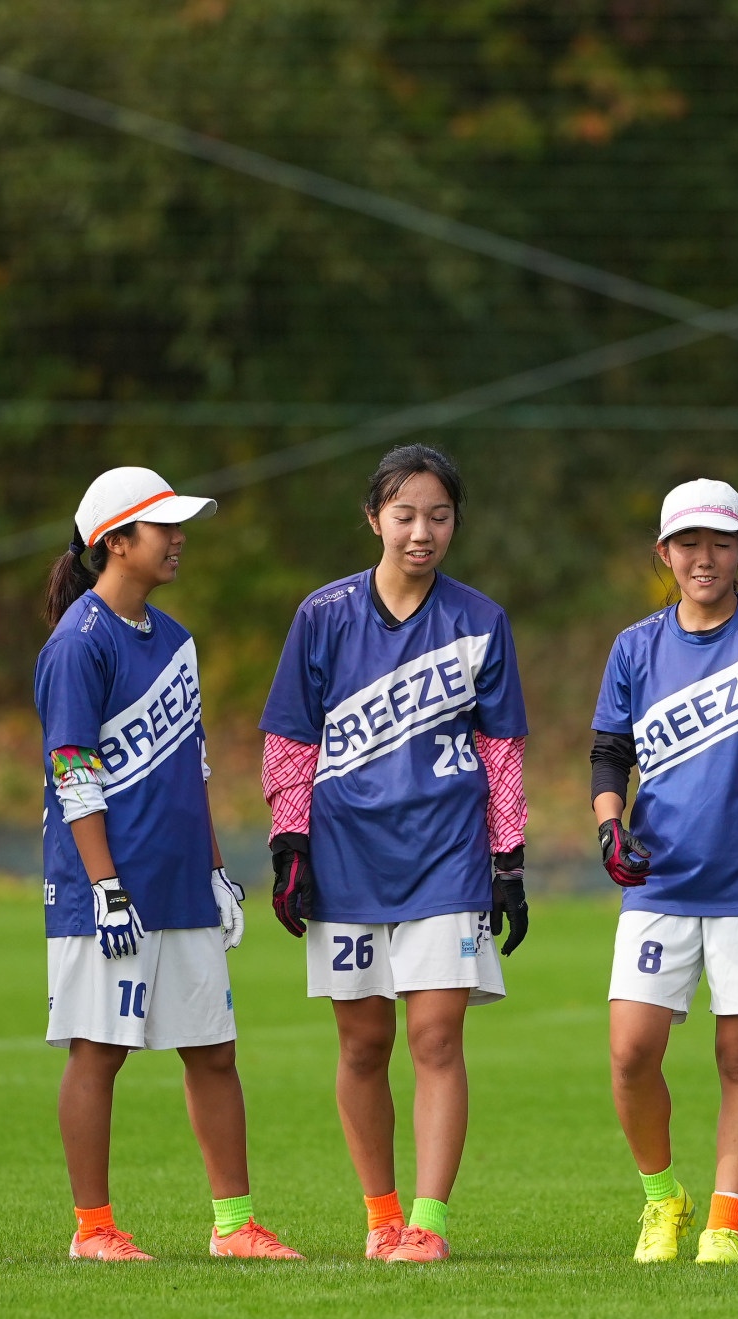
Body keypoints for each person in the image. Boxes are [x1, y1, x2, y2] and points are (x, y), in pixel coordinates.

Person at [260, 444, 528, 1264]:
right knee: (363, 1044)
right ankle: (380, 1217)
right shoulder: (323, 614)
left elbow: (502, 750)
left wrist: (507, 860)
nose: (422, 532)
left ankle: (428, 1221)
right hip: (345, 859)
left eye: (439, 516)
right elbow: (290, 740)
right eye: (405, 515)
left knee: (437, 1039)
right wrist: (290, 843)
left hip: (446, 857)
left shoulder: (480, 620)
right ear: (374, 518)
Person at [37, 466, 300, 1263]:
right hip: (109, 890)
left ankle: (235, 1225)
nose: (179, 539)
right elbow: (72, 769)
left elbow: (194, 766)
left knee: (214, 1053)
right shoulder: (78, 642)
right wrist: (105, 886)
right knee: (99, 1049)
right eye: (164, 527)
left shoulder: (177, 639)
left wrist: (216, 872)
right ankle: (93, 1230)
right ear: (116, 541)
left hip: (182, 884)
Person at [592, 478, 738, 1265]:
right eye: (687, 543)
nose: (703, 558)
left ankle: (725, 1222)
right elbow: (610, 753)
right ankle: (664, 1200)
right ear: (663, 552)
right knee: (631, 1052)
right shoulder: (636, 646)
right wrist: (609, 825)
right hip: (659, 881)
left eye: (719, 544)